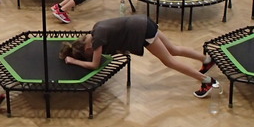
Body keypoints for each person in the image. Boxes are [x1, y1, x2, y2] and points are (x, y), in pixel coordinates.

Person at [59, 15, 219, 98]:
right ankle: (207, 60)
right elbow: (118, 35)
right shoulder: (95, 30)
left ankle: (207, 81)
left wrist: (74, 61)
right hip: (144, 22)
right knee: (173, 49)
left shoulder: (96, 41)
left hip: (142, 31)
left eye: (89, 54)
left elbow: (95, 65)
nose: (93, 55)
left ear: (87, 48)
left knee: (169, 61)